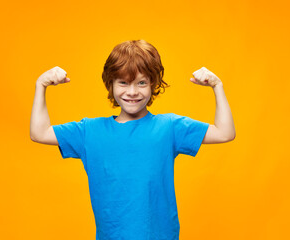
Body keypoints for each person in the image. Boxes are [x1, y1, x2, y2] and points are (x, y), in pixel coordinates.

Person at [30, 39, 235, 240]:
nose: (132, 92)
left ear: (153, 84)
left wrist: (217, 86)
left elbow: (224, 133)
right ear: (110, 83)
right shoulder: (89, 131)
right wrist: (41, 85)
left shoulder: (169, 127)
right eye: (123, 82)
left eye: (142, 83)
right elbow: (39, 133)